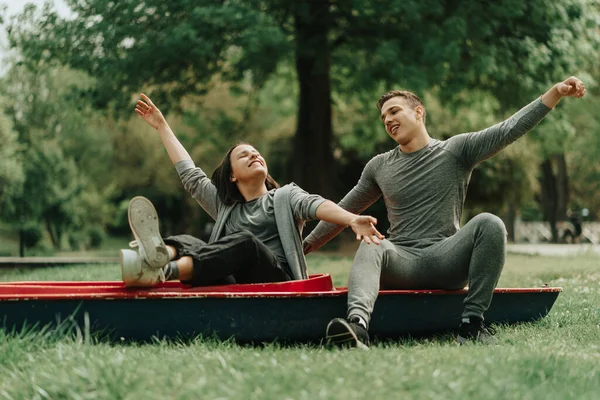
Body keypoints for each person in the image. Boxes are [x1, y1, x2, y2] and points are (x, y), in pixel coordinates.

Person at [303, 76, 586, 347]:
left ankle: (472, 324)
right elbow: (345, 209)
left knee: (490, 223)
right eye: (383, 118)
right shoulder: (379, 166)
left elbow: (508, 129)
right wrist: (306, 245)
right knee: (371, 243)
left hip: (446, 259)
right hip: (401, 262)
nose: (388, 120)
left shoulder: (456, 150)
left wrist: (555, 93)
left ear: (418, 112)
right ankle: (357, 327)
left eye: (394, 111)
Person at [120, 94, 384, 288]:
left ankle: (164, 271)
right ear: (232, 175)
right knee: (190, 241)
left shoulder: (284, 197)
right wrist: (162, 127)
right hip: (233, 281)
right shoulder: (225, 207)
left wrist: (351, 220)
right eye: (244, 155)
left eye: (256, 153)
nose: (254, 155)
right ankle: (158, 257)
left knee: (245, 242)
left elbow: (317, 205)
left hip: (279, 282)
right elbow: (191, 176)